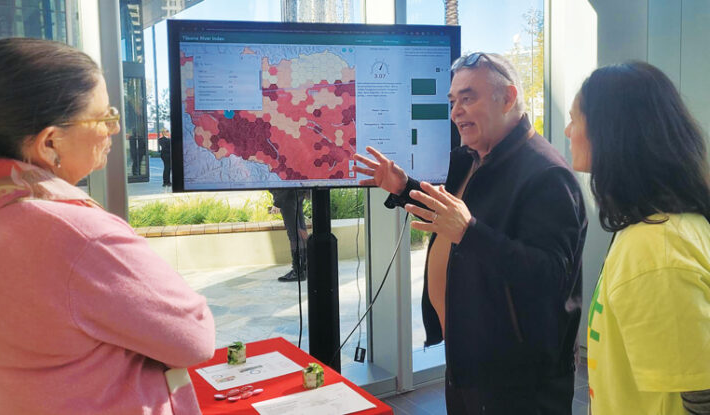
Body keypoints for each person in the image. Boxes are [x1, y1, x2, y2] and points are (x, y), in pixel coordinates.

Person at [0, 38, 215, 415]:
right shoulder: (79, 235)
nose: (114, 129)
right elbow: (195, 336)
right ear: (50, 142)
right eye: (104, 117)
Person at [354, 52, 588, 414]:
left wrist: (470, 231)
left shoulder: (547, 175)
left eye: (468, 98)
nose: (456, 112)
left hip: (518, 383)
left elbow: (552, 278)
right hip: (467, 362)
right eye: (452, 101)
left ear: (508, 98)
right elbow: (455, 219)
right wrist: (404, 188)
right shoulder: (471, 159)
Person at [566, 62, 710, 415]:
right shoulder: (657, 230)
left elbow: (702, 398)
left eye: (575, 119)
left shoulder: (655, 250)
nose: (568, 130)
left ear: (611, 132)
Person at [270, 188, 308, 282]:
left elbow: (283, 184)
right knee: (301, 231)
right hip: (297, 194)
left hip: (287, 197)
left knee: (294, 235)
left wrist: (277, 203)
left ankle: (297, 272)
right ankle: (303, 268)